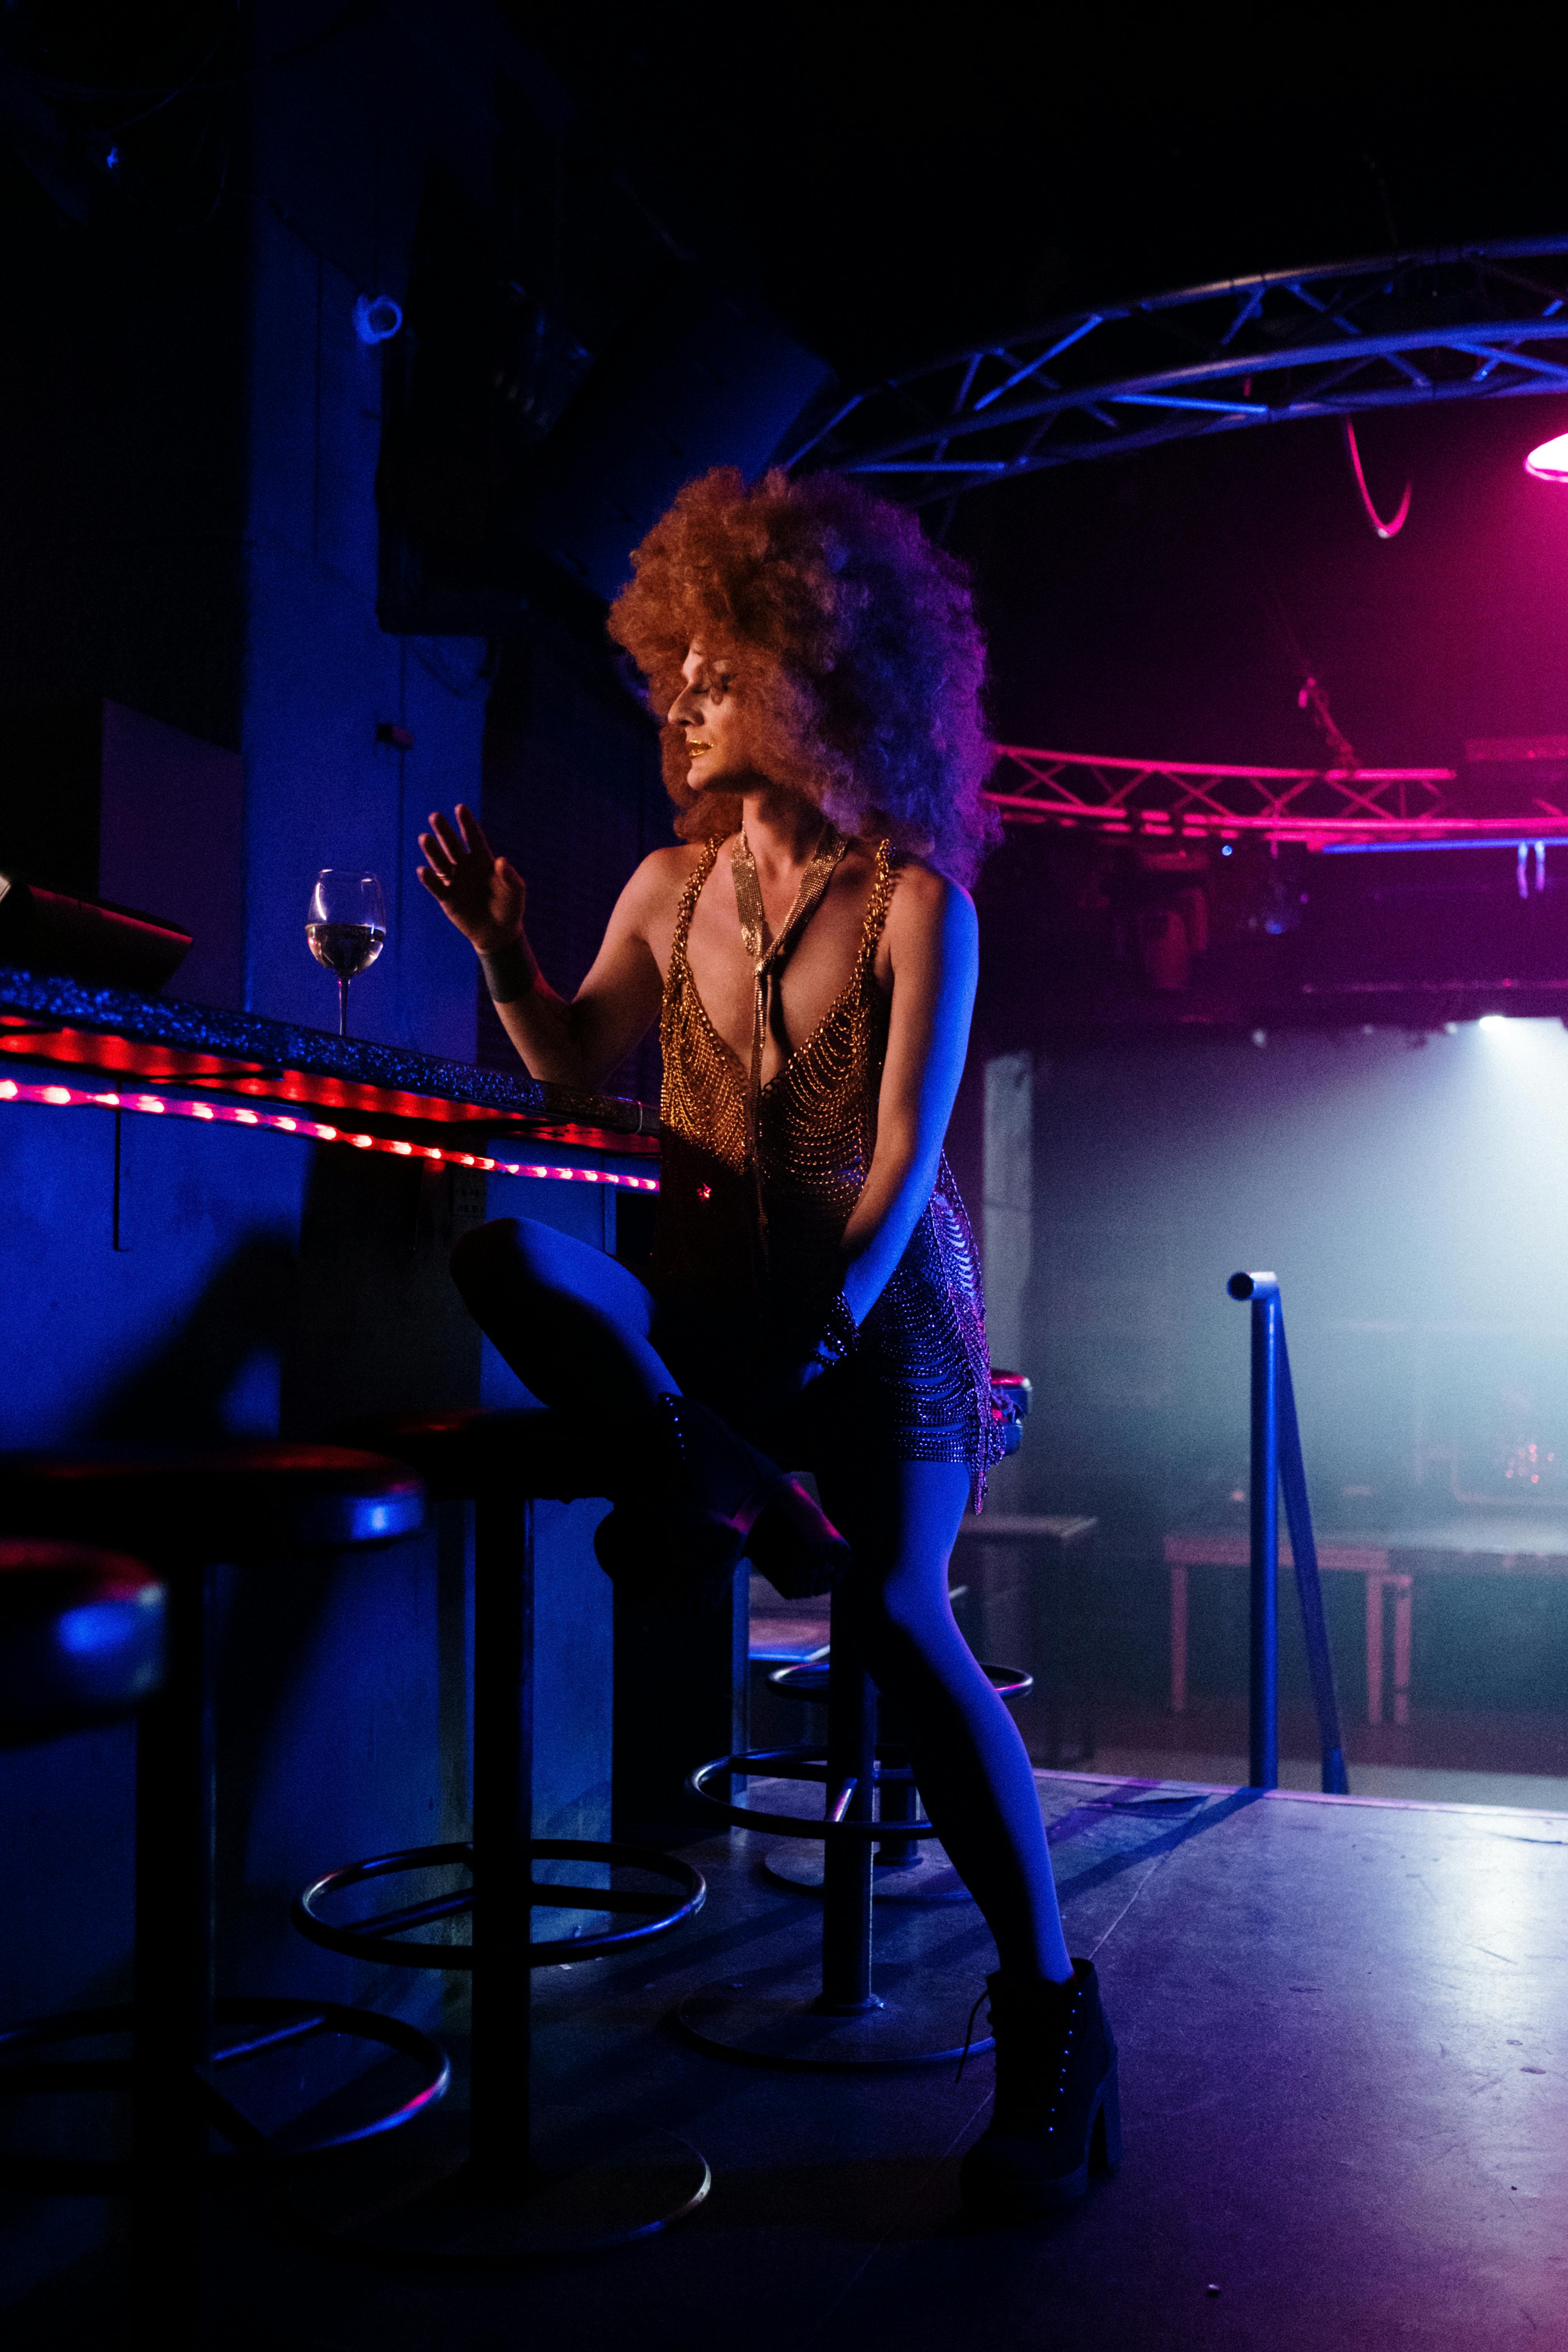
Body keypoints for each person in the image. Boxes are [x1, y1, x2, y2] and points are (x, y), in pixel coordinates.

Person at [415, 465, 1118, 2216]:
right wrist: (505, 951)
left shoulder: (915, 907)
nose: (679, 695)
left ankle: (1050, 2021)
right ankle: (728, 1483)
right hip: (713, 1319)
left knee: (894, 1615)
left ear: (828, 675)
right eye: (673, 671)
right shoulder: (665, 889)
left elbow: (891, 1170)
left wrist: (815, 1354)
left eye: (717, 667)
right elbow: (570, 1066)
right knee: (514, 1257)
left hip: (880, 1324)